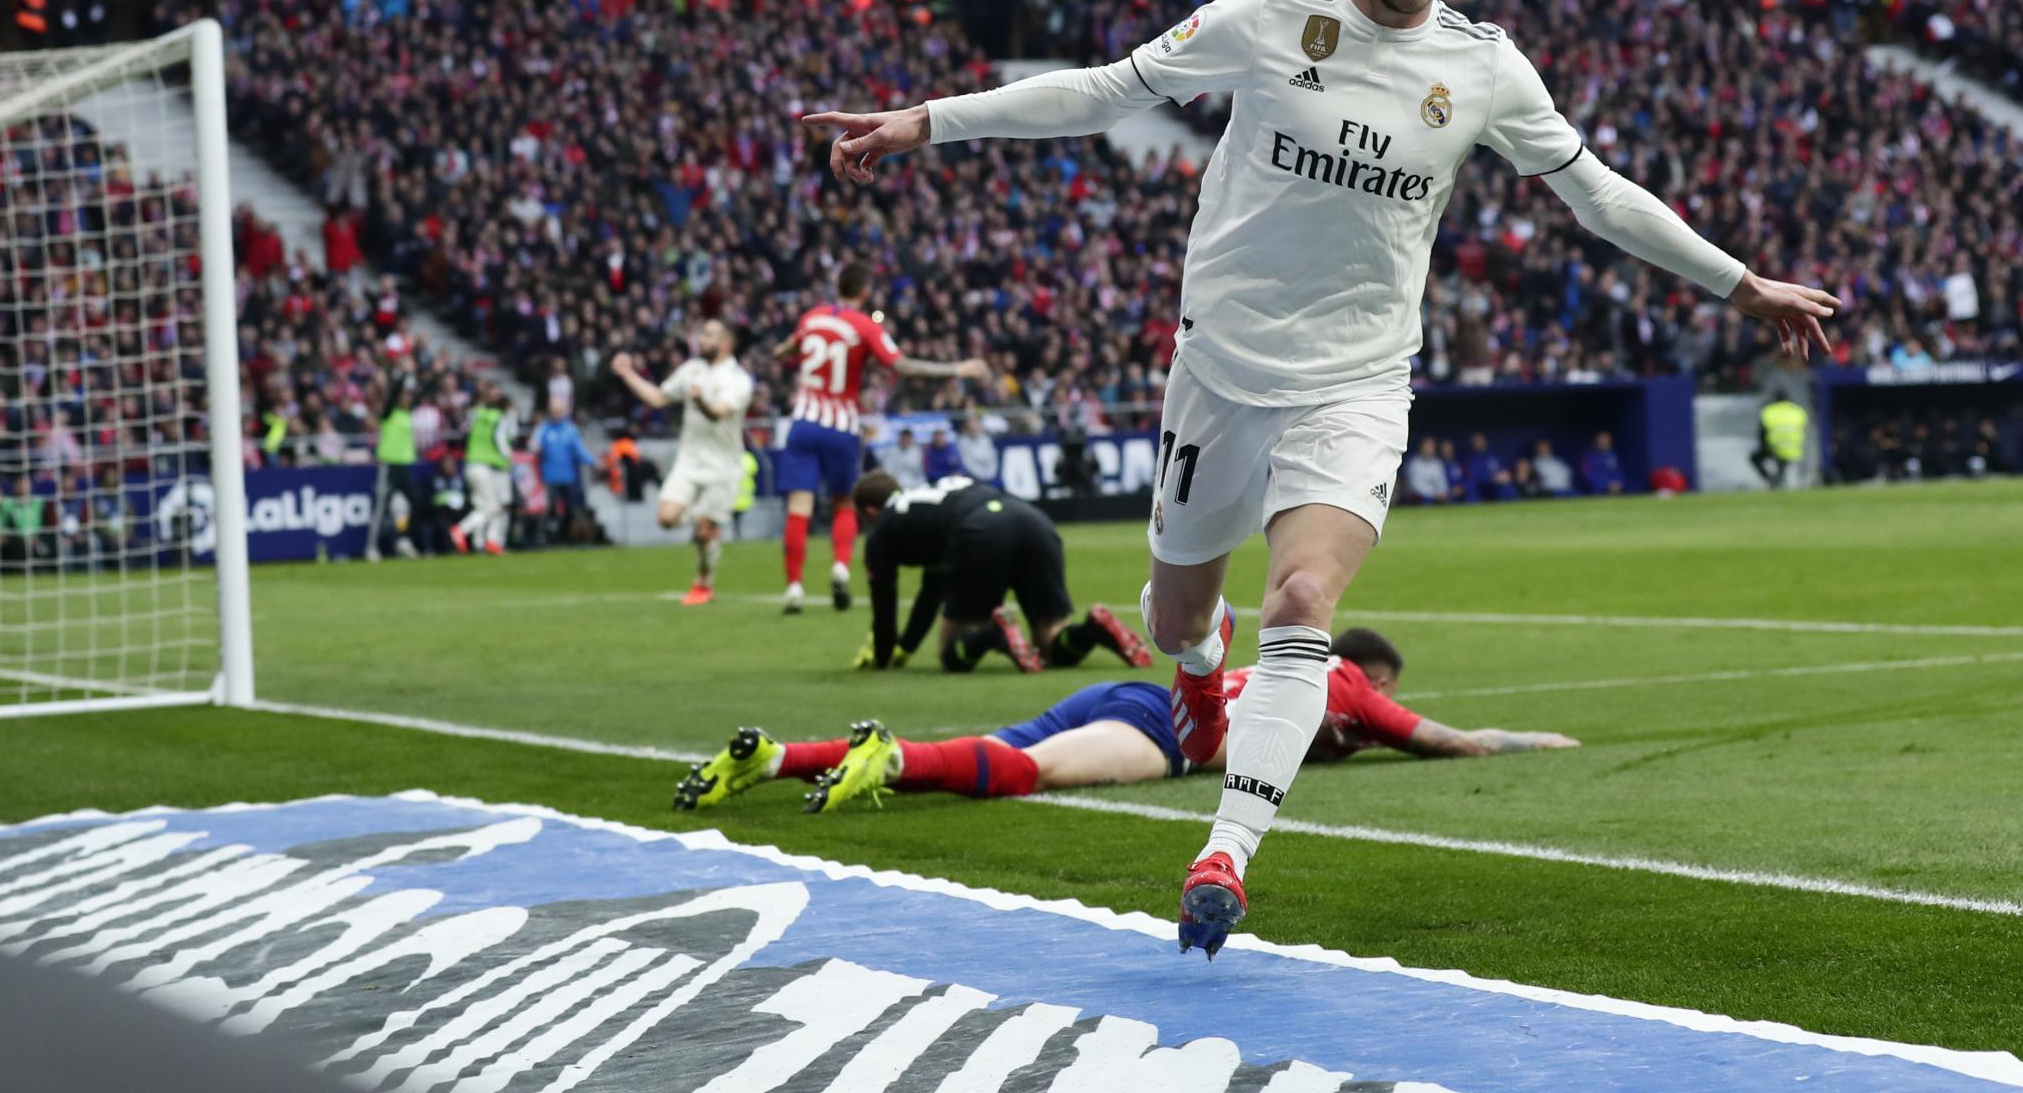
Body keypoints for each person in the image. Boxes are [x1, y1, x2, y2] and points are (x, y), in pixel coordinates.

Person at [803, 0, 1840, 958]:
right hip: (1216, 372)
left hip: (1354, 380)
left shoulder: (1483, 66)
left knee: (1299, 603)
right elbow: (1105, 92)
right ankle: (1199, 681)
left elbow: (1595, 194)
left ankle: (1224, 853)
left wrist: (1734, 282)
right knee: (1174, 619)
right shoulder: (1267, 17)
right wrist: (925, 120)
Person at [673, 627, 1576, 814]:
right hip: (1170, 729)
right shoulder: (1346, 685)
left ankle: (782, 755)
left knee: (1004, 746)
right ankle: (892, 757)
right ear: (1370, 671)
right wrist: (1536, 742)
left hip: (1131, 694)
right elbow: (1444, 743)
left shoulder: (1298, 669)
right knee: (1028, 774)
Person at [771, 261, 987, 615]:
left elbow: (788, 348)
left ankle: (794, 587)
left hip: (803, 423)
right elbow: (901, 365)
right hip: (840, 425)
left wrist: (783, 352)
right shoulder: (865, 325)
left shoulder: (812, 317)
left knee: (799, 507)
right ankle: (840, 567)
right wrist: (957, 369)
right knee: (842, 503)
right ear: (865, 292)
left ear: (836, 286)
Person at [849, 469, 1152, 675]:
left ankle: (993, 634)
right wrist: (905, 647)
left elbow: (884, 603)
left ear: (870, 511)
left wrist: (883, 656)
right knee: (1049, 643)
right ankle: (1091, 630)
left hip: (980, 532)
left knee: (952, 655)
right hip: (1032, 520)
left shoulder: (884, 530)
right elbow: (930, 593)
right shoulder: (930, 501)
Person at [610, 320, 754, 607]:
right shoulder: (692, 370)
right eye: (701, 333)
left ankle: (703, 583)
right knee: (666, 518)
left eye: (709, 334)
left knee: (702, 531)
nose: (702, 339)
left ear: (726, 343)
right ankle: (707, 524)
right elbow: (658, 398)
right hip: (689, 461)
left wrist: (699, 402)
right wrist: (628, 374)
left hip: (723, 466)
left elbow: (717, 413)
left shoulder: (738, 379)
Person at [449, 385, 518, 555]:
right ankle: (461, 530)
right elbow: (502, 439)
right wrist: (510, 456)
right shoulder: (498, 417)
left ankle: (482, 543)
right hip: (484, 466)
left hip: (470, 463)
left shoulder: (477, 414)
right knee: (492, 507)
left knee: (481, 505)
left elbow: (464, 426)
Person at [365, 368, 422, 562]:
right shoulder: (389, 414)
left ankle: (403, 540)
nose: (407, 399)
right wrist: (404, 377)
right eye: (404, 396)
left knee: (412, 504)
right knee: (380, 507)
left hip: (404, 465)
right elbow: (392, 397)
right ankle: (371, 548)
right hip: (388, 465)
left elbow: (422, 394)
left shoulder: (408, 414)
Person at [532, 396, 596, 544]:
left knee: (571, 509)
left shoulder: (570, 429)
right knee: (551, 510)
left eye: (558, 410)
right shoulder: (543, 429)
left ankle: (567, 537)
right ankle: (548, 538)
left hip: (569, 476)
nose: (556, 413)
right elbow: (533, 447)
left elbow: (579, 451)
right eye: (553, 410)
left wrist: (594, 462)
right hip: (549, 477)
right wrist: (536, 449)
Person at [1753, 390, 1809, 489]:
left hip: (1775, 449)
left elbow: (1762, 433)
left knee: (1755, 458)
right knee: (1784, 467)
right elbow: (1805, 430)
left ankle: (1771, 479)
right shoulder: (1798, 411)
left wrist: (1764, 447)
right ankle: (1778, 481)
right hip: (1796, 450)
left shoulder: (1769, 411)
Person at [1581, 430, 1626, 496]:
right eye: (1602, 440)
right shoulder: (1589, 457)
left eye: (1606, 440)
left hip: (1615, 487)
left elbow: (1618, 472)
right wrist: (1606, 484)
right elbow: (1588, 475)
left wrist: (1618, 482)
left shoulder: (1612, 455)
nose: (1604, 442)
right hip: (1598, 489)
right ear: (1597, 441)